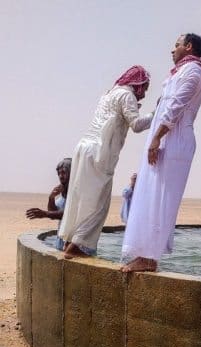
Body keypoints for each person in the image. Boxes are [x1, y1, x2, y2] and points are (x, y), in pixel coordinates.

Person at [121, 34, 201, 272]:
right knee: (150, 194)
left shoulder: (193, 72)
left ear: (188, 47)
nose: (172, 49)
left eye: (177, 45)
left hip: (175, 141)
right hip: (164, 139)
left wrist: (157, 137)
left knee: (161, 198)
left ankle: (150, 257)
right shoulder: (178, 73)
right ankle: (144, 254)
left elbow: (176, 106)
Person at [58, 65, 153, 259]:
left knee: (80, 200)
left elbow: (115, 118)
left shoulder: (109, 94)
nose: (144, 94)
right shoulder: (127, 95)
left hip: (84, 148)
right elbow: (136, 125)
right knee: (98, 205)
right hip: (99, 153)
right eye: (144, 88)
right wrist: (155, 113)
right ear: (138, 84)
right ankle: (76, 248)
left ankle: (69, 242)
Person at [26, 158, 72, 250]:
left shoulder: (76, 194)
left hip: (73, 246)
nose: (60, 176)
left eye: (64, 173)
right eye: (59, 173)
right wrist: (51, 198)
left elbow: (67, 214)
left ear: (71, 173)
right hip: (61, 243)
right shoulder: (63, 195)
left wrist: (44, 214)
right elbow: (53, 214)